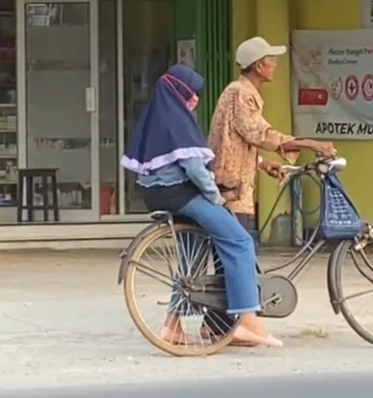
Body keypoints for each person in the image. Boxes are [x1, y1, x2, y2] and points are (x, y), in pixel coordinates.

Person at [121, 64, 283, 348]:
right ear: (181, 93)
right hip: (181, 194)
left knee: (191, 256)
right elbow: (194, 168)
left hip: (157, 194)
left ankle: (172, 325)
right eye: (193, 94)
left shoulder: (156, 117)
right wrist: (216, 198)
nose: (195, 100)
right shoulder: (178, 120)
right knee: (240, 240)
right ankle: (246, 319)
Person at [203, 36, 337, 341]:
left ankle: (217, 325)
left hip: (236, 183)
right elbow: (260, 133)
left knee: (231, 257)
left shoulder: (243, 93)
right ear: (259, 65)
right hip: (231, 190)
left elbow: (239, 140)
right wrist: (311, 143)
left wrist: (263, 164)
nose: (275, 65)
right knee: (236, 254)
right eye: (271, 60)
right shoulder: (241, 94)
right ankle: (240, 323)